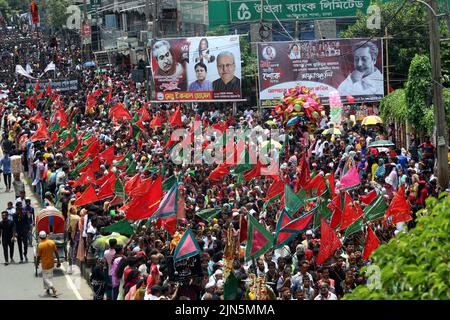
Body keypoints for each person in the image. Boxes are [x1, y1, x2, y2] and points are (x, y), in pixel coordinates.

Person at [36, 230, 60, 297]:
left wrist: (37, 263)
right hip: (51, 263)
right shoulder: (51, 242)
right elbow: (56, 252)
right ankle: (47, 290)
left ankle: (53, 288)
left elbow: (38, 256)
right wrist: (58, 261)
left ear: (40, 237)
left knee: (45, 278)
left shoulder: (40, 245)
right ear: (46, 236)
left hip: (45, 264)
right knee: (49, 277)